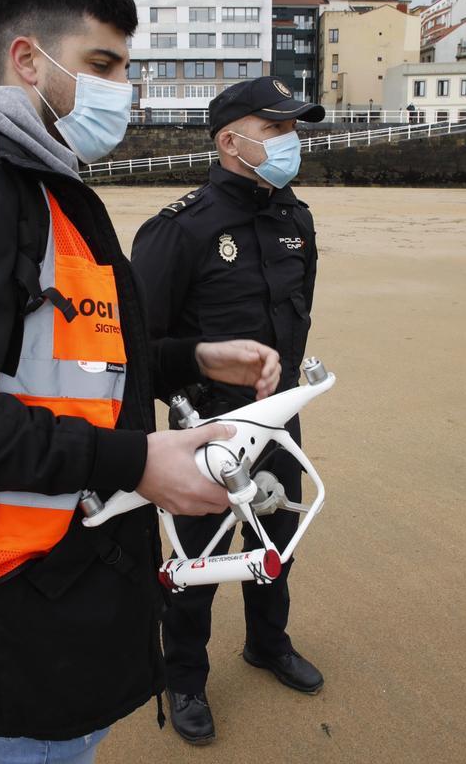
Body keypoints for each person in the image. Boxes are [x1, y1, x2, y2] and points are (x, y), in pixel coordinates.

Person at [0, 0, 281, 764]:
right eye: (101, 65)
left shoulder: (41, 186)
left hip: (73, 572)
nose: (124, 88)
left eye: (126, 67)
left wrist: (193, 355)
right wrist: (133, 462)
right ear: (28, 59)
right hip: (24, 589)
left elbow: (78, 360)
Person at [131, 77, 326, 745]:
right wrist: (201, 371)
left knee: (277, 545)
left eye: (292, 129)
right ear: (229, 141)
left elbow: (294, 330)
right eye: (274, 130)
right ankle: (183, 678)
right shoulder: (177, 232)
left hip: (280, 421)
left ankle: (268, 644)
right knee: (195, 567)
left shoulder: (296, 220)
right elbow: (136, 354)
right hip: (204, 433)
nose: (288, 141)